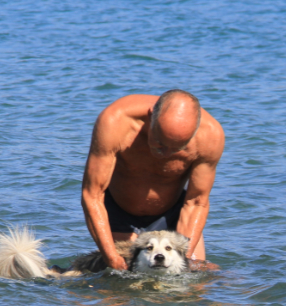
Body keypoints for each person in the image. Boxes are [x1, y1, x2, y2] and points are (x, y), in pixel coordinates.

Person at [80, 90, 225, 271]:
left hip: (173, 211)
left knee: (194, 279)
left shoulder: (210, 136)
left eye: (177, 148)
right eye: (160, 143)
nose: (165, 155)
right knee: (122, 286)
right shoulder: (116, 121)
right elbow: (92, 195)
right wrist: (111, 257)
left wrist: (183, 259)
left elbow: (196, 202)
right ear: (151, 116)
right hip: (120, 211)